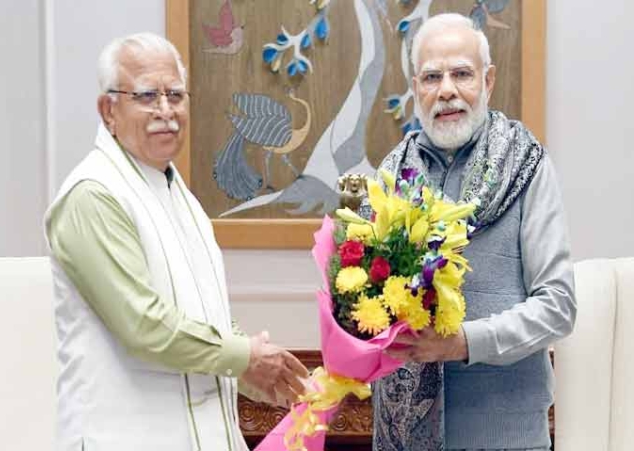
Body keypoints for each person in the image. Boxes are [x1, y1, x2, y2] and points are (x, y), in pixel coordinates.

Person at [44, 32, 308, 451]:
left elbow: (207, 315)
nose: (166, 111)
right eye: (147, 95)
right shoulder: (93, 194)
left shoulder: (175, 192)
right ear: (108, 110)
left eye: (176, 95)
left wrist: (254, 372)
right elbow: (145, 326)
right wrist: (245, 357)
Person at [370, 14, 576, 451]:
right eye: (431, 77)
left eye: (461, 74)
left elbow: (558, 306)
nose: (446, 90)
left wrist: (464, 342)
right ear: (416, 88)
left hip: (506, 436)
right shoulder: (390, 178)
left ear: (488, 81)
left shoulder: (527, 167)